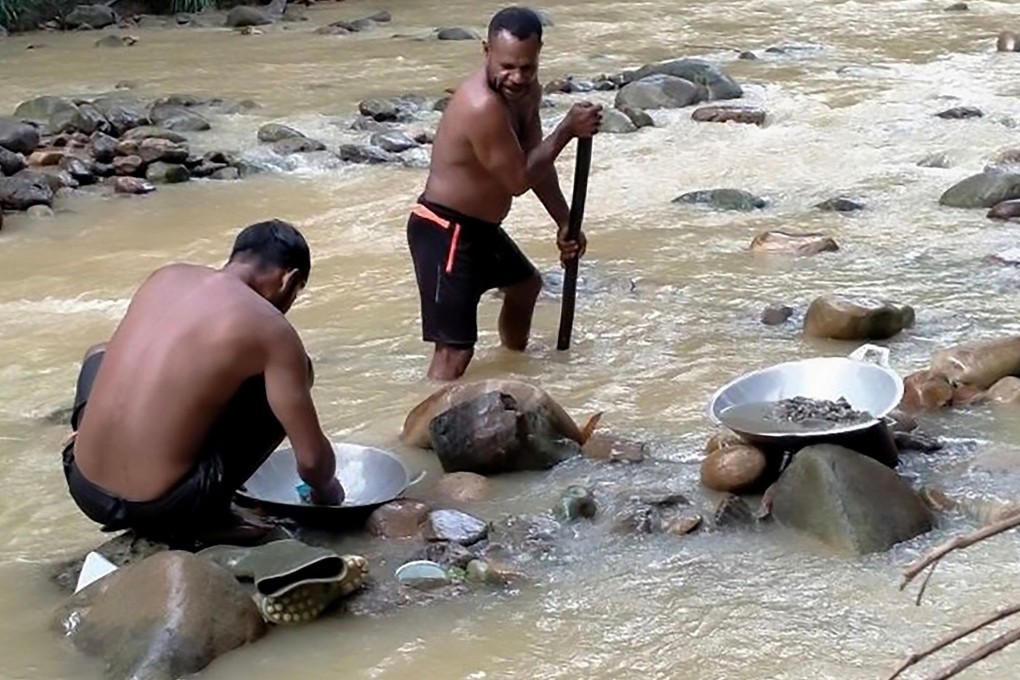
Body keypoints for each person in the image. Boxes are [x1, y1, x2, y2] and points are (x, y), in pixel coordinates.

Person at [61, 219, 343, 546]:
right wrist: (327, 490)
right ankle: (208, 519)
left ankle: (84, 438)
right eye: (297, 291)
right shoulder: (271, 329)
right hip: (160, 508)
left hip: (83, 487)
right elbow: (311, 463)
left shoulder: (165, 277)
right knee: (291, 377)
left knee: (100, 352)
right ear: (289, 279)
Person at [406, 5, 602, 381]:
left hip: (479, 228)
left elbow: (536, 163)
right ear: (486, 52)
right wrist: (566, 130)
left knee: (525, 287)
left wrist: (564, 221)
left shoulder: (527, 93)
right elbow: (518, 180)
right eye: (506, 66)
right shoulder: (481, 106)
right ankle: (418, 434)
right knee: (454, 353)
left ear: (539, 55)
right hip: (445, 230)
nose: (516, 77)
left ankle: (514, 373)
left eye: (526, 67)